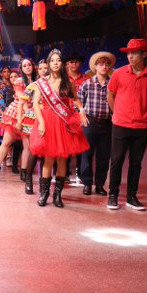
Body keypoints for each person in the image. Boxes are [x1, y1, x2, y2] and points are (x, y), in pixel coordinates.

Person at [31, 49, 89, 208]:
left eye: (58, 60)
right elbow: (35, 103)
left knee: (62, 160)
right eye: (52, 60)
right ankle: (44, 194)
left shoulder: (67, 82)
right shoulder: (42, 82)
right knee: (48, 159)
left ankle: (57, 195)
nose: (55, 63)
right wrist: (41, 122)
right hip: (47, 122)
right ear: (49, 63)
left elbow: (75, 99)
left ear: (62, 63)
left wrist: (82, 110)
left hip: (63, 123)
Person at [107, 39, 147, 211]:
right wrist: (117, 113)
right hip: (120, 124)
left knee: (136, 163)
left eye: (134, 53)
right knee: (117, 160)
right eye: (128, 53)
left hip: (141, 126)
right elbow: (110, 94)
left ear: (144, 54)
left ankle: (131, 197)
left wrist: (141, 109)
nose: (130, 56)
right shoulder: (119, 73)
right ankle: (113, 195)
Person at [0, 60, 37, 182]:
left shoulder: (37, 81)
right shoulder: (19, 81)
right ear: (22, 68)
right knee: (6, 142)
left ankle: (24, 171)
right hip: (17, 111)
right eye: (24, 66)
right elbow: (22, 99)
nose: (27, 67)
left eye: (29, 65)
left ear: (33, 66)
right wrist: (28, 114)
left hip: (30, 112)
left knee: (27, 146)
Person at [78, 51, 115, 197]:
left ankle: (100, 184)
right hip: (90, 122)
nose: (104, 67)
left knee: (104, 155)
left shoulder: (113, 84)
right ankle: (87, 183)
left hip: (107, 123)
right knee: (87, 153)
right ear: (95, 67)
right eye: (101, 64)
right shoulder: (87, 84)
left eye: (106, 64)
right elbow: (78, 102)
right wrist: (81, 114)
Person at [19, 59, 48, 194]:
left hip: (49, 119)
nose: (44, 71)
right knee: (34, 149)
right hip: (35, 119)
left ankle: (43, 182)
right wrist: (20, 119)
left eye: (46, 68)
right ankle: (28, 179)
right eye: (41, 68)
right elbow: (21, 103)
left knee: (46, 151)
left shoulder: (54, 85)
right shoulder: (34, 85)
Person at [65, 52, 89, 182]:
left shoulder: (86, 79)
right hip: (65, 114)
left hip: (81, 114)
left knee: (81, 143)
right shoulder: (63, 79)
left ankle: (80, 172)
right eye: (71, 61)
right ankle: (64, 172)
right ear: (67, 64)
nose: (74, 64)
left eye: (76, 61)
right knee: (65, 143)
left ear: (80, 63)